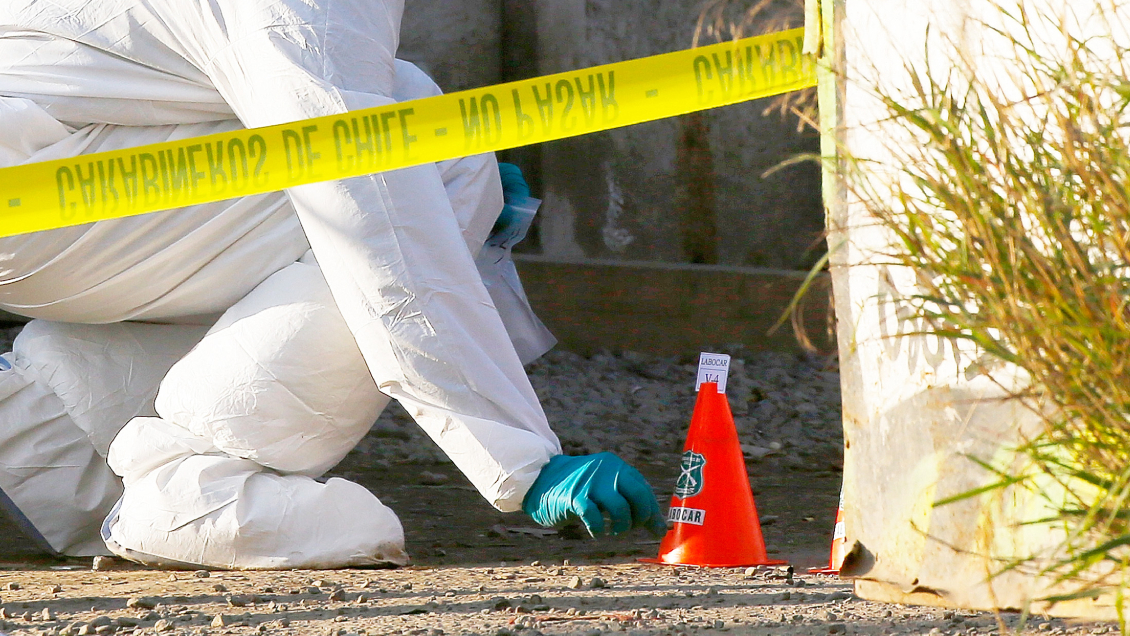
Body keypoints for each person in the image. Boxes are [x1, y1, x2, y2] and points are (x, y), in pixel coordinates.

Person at [0, 0, 666, 569]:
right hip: (36, 203)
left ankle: (58, 434)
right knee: (431, 151)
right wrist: (518, 456)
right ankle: (200, 483)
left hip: (40, 183)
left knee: (402, 121)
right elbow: (365, 198)